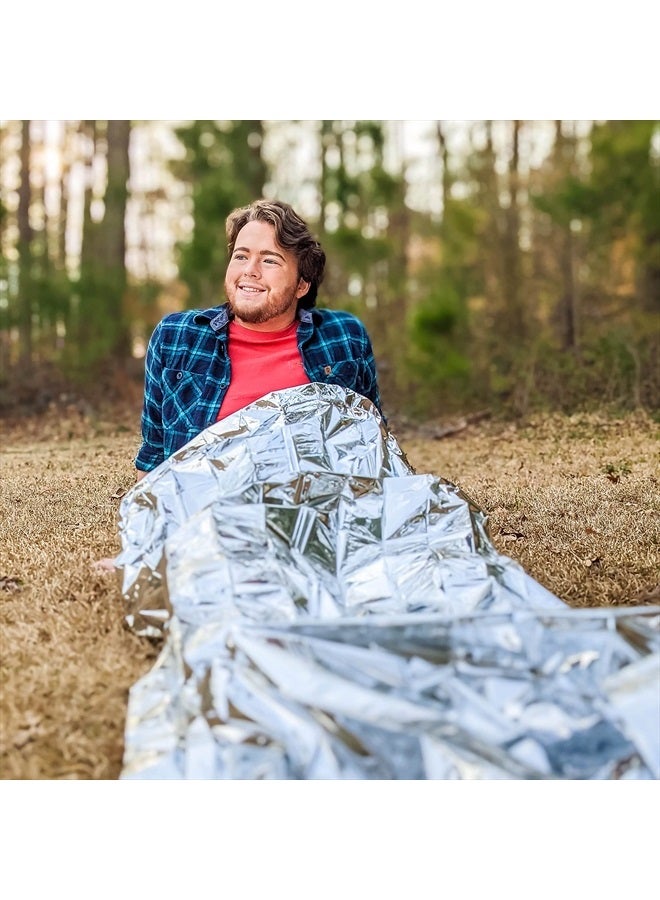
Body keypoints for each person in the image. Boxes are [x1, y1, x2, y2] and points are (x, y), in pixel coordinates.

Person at [134, 198, 384, 480]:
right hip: (202, 515)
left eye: (269, 260)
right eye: (241, 256)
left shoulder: (343, 336)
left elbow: (372, 444)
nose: (249, 270)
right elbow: (153, 458)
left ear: (302, 284)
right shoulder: (177, 337)